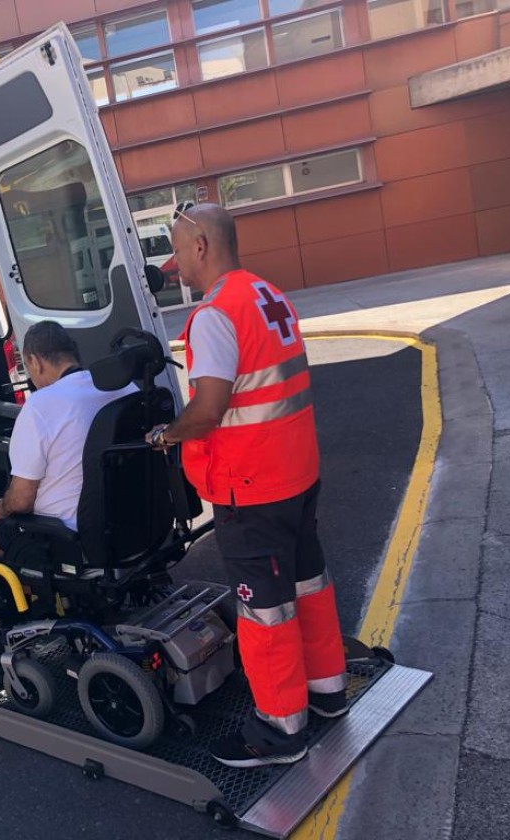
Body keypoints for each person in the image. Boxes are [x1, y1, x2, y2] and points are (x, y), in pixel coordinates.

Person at [146, 203, 347, 769]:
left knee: (266, 611)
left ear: (202, 246)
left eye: (178, 248)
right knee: (309, 585)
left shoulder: (215, 314)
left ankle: (280, 731)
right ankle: (327, 693)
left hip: (251, 486)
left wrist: (166, 434)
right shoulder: (268, 294)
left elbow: (208, 411)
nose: (174, 262)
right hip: (297, 474)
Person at [0, 321, 130, 557]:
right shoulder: (123, 389)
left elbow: (21, 501)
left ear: (35, 362)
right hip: (130, 524)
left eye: (28, 367)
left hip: (69, 537)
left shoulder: (40, 406)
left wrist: (0, 509)